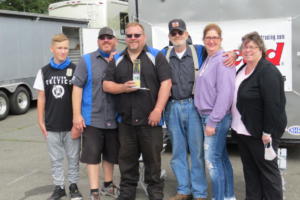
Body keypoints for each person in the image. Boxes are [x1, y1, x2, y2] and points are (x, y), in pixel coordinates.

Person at [162, 19, 237, 200]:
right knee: (178, 152)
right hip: (172, 107)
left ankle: (200, 193)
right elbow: (141, 53)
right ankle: (183, 190)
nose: (177, 36)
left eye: (180, 32)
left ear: (187, 34)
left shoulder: (199, 50)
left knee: (198, 152)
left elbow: (220, 51)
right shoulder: (163, 54)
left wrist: (235, 53)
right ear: (169, 37)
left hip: (193, 107)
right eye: (174, 33)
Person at [103, 22, 172, 200]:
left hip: (151, 121)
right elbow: (106, 85)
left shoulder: (156, 56)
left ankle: (155, 194)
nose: (133, 38)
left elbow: (166, 83)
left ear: (144, 36)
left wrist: (158, 109)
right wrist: (122, 88)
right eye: (129, 35)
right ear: (125, 38)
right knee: (127, 163)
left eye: (137, 35)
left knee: (153, 164)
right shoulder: (117, 58)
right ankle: (127, 195)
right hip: (125, 122)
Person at [231, 31, 287, 200]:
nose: (248, 50)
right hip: (242, 131)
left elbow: (275, 105)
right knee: (250, 173)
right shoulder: (242, 68)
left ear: (261, 49)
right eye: (245, 47)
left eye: (252, 47)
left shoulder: (267, 71)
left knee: (268, 175)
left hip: (260, 134)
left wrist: (267, 132)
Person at [71, 27, 120, 200]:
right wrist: (76, 115)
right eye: (102, 38)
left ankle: (108, 185)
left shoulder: (121, 59)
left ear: (115, 40)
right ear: (98, 41)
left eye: (109, 37)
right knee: (92, 157)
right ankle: (94, 191)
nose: (106, 40)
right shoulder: (86, 60)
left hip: (115, 118)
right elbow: (77, 88)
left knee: (110, 154)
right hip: (92, 118)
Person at [33, 34, 83, 200]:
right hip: (52, 123)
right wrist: (40, 121)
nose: (63, 51)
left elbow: (81, 96)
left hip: (71, 124)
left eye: (66, 48)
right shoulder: (44, 71)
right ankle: (59, 187)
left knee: (74, 157)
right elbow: (41, 97)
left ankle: (73, 186)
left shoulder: (76, 69)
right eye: (60, 48)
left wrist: (78, 120)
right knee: (56, 159)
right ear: (52, 49)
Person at [194, 24, 236, 200]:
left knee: (212, 163)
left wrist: (212, 121)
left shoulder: (223, 60)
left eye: (215, 38)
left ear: (220, 40)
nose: (211, 41)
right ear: (203, 40)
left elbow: (225, 94)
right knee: (221, 159)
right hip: (209, 116)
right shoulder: (209, 58)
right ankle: (228, 196)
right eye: (208, 38)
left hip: (214, 118)